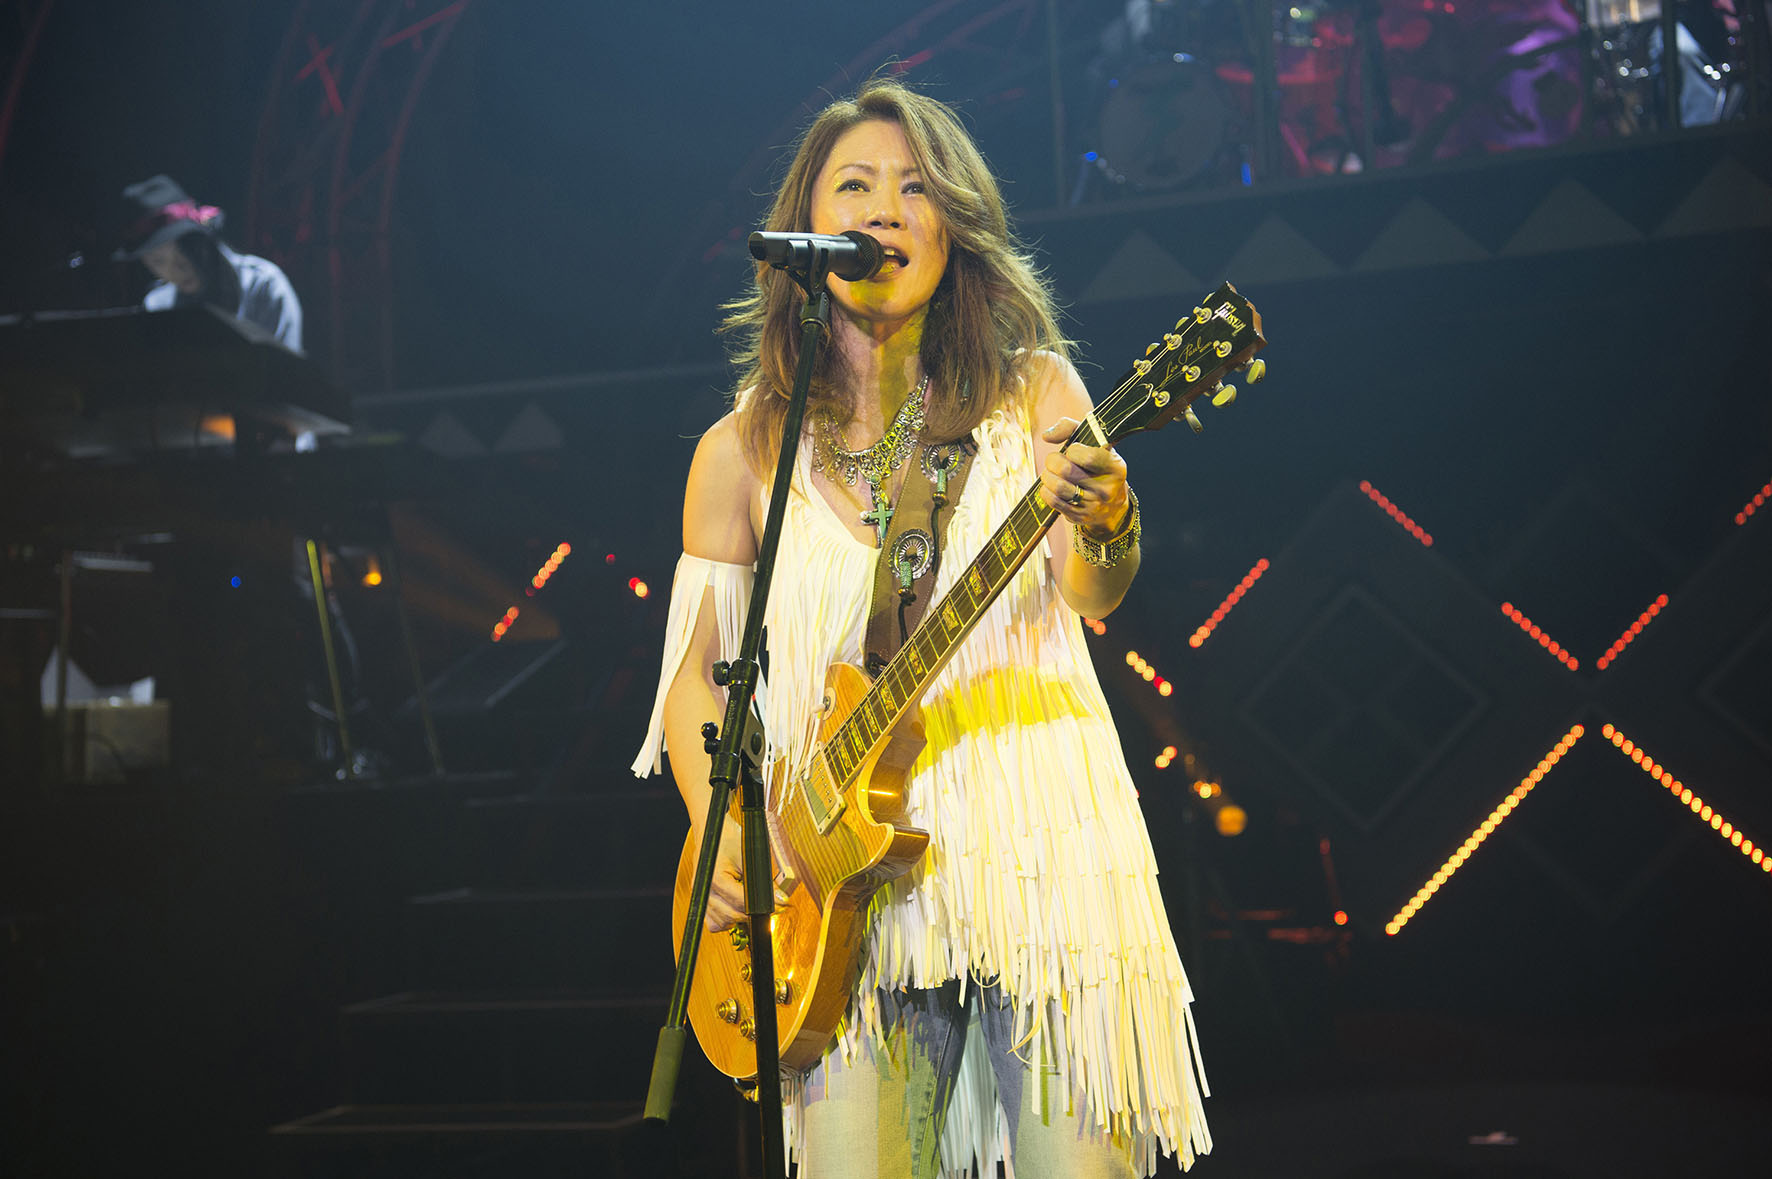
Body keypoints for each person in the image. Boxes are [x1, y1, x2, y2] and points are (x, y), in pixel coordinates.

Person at [632, 78, 1209, 1177]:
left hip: (1043, 861)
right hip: (837, 899)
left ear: (956, 225)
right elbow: (695, 680)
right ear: (807, 229)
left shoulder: (1033, 393)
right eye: (855, 186)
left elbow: (1093, 593)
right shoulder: (737, 453)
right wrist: (724, 827)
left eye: (915, 188)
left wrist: (1108, 519)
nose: (885, 210)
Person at [114, 174, 303, 353]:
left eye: (184, 252)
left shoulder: (264, 287)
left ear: (204, 242)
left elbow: (286, 369)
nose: (176, 270)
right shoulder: (157, 305)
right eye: (159, 261)